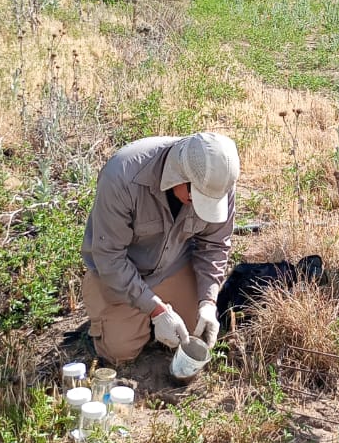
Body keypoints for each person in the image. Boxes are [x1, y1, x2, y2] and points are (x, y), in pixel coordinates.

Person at [81, 131, 240, 365]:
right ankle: (113, 315)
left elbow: (214, 245)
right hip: (118, 273)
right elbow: (110, 257)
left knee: (195, 331)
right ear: (178, 174)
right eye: (196, 196)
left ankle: (150, 317)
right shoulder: (122, 176)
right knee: (119, 351)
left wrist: (208, 302)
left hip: (171, 266)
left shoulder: (219, 181)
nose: (200, 204)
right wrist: (155, 310)